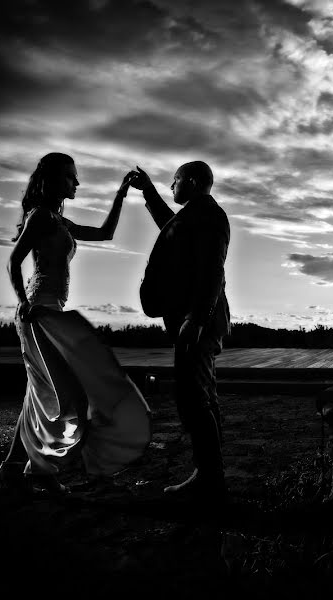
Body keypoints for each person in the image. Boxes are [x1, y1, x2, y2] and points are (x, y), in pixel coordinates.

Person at [0, 152, 152, 494]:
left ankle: (12, 469)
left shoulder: (58, 221)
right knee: (69, 399)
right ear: (51, 180)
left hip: (52, 312)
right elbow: (13, 262)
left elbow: (106, 232)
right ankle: (40, 471)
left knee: (37, 395)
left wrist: (121, 195)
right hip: (40, 314)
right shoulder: (39, 217)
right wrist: (24, 303)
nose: (76, 183)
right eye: (70, 177)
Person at [130, 161, 230, 501]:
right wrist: (148, 192)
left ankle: (209, 477)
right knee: (200, 396)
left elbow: (212, 270)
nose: (171, 186)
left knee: (193, 398)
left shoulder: (209, 215)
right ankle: (211, 474)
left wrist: (197, 319)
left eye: (174, 181)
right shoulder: (192, 216)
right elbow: (169, 224)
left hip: (198, 322)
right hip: (193, 320)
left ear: (190, 181)